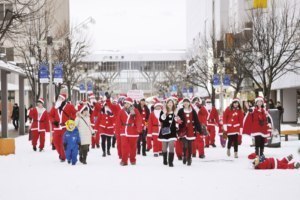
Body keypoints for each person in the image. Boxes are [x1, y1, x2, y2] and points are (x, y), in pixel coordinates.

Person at [49, 94, 77, 162]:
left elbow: (75, 113)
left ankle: (63, 156)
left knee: (63, 143)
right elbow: (50, 115)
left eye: (61, 98)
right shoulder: (55, 107)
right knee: (55, 142)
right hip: (56, 128)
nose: (59, 99)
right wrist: (53, 121)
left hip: (65, 127)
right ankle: (62, 155)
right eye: (58, 98)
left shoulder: (69, 106)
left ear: (64, 99)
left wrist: (71, 120)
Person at [115, 97, 142, 166]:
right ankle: (124, 161)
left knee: (133, 147)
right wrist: (117, 132)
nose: (126, 105)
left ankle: (133, 159)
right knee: (124, 146)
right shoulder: (121, 111)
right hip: (123, 131)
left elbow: (139, 120)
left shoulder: (135, 111)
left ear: (131, 104)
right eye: (125, 103)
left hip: (133, 132)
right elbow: (118, 122)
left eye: (128, 103)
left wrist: (139, 128)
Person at [177, 98, 202, 166]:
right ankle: (184, 155)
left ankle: (189, 158)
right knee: (185, 145)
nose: (186, 103)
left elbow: (197, 121)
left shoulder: (193, 111)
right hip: (183, 130)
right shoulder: (180, 111)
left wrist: (199, 130)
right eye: (184, 102)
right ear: (183, 103)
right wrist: (177, 124)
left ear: (189, 103)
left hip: (191, 129)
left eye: (187, 102)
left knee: (190, 145)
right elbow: (177, 118)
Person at [158, 98, 178, 167]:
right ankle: (165, 160)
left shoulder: (175, 111)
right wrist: (164, 113)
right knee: (164, 147)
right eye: (169, 102)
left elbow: (178, 120)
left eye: (171, 102)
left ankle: (170, 162)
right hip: (164, 131)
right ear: (166, 104)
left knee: (171, 146)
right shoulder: (163, 111)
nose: (170, 104)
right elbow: (160, 119)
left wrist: (176, 116)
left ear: (173, 104)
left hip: (172, 131)